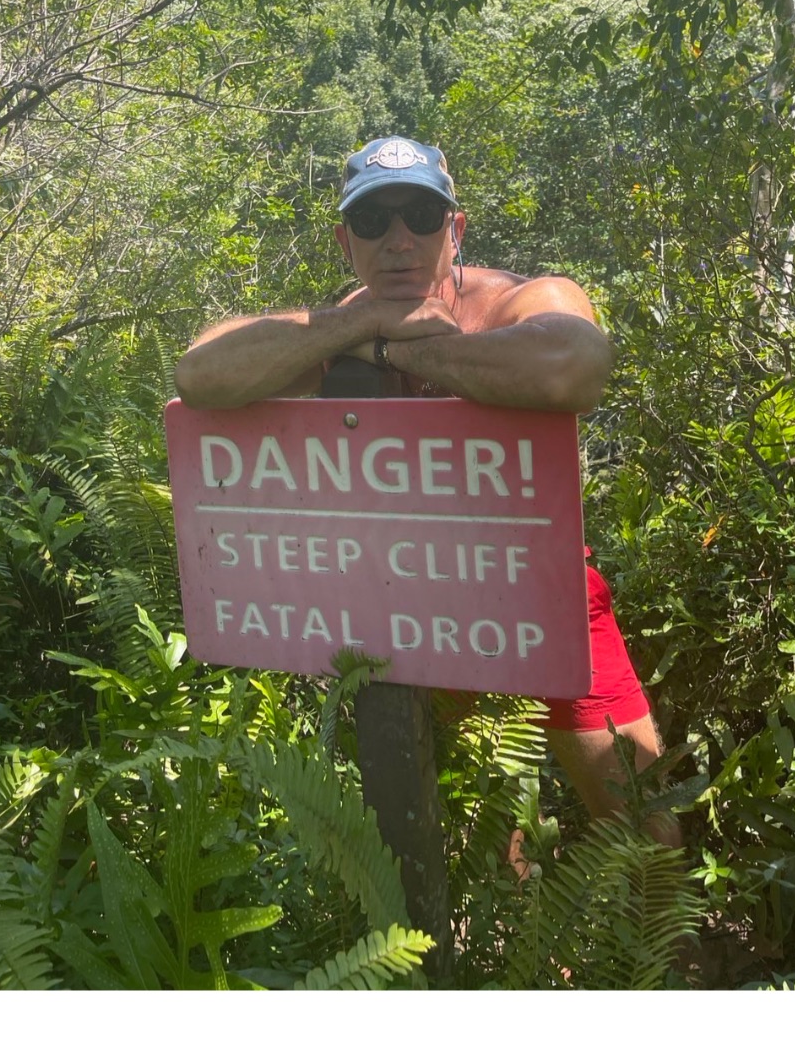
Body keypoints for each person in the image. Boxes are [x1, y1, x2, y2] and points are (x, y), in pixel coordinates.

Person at [175, 134, 673, 835]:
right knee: (473, 823)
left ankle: (668, 946)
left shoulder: (513, 300)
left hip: (543, 588)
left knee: (642, 815)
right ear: (346, 240)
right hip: (409, 601)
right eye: (375, 221)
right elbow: (200, 372)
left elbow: (576, 361)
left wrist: (401, 345)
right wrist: (361, 325)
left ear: (455, 228)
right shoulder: (342, 320)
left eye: (421, 216)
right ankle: (515, 940)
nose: (399, 239)